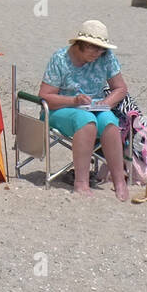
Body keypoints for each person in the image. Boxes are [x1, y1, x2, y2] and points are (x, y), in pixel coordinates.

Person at [39, 20, 131, 199]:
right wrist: (73, 100)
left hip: (93, 106)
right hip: (60, 108)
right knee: (86, 121)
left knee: (110, 122)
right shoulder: (60, 59)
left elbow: (120, 88)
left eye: (101, 49)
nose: (98, 53)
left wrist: (106, 102)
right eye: (94, 48)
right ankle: (81, 182)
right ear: (80, 44)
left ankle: (119, 181)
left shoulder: (106, 56)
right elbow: (45, 96)